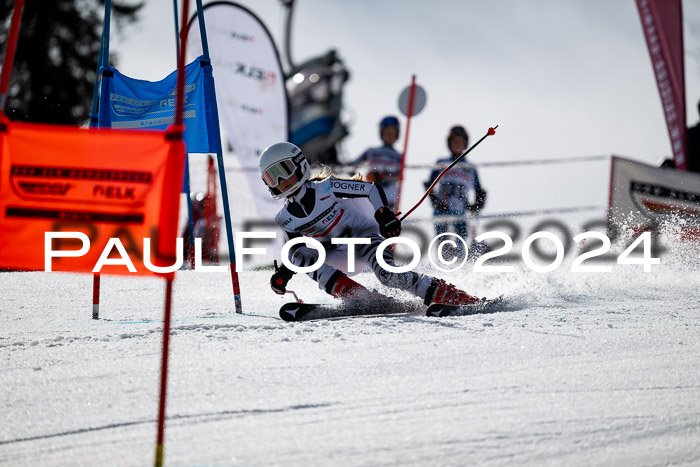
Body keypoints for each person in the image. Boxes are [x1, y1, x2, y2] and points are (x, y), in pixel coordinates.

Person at [259, 141, 480, 306]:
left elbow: (370, 189)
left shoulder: (327, 187)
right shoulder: (285, 218)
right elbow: (298, 253)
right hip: (337, 259)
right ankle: (358, 296)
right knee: (295, 254)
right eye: (272, 178)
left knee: (390, 276)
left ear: (299, 165)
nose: (280, 182)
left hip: (364, 241)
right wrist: (284, 274)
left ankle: (454, 296)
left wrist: (384, 215)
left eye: (283, 171)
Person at [425, 125, 487, 257]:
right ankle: (443, 270)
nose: (457, 144)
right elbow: (428, 184)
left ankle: (460, 269)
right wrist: (436, 201)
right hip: (442, 212)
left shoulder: (470, 167)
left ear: (465, 144)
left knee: (460, 246)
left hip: (460, 212)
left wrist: (476, 204)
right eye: (454, 141)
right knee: (443, 246)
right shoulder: (442, 162)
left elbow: (479, 190)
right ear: (449, 144)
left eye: (460, 141)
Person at [349, 115, 402, 210]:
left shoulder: (398, 156)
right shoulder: (371, 151)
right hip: (370, 194)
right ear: (382, 133)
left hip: (389, 198)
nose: (390, 136)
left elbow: (399, 176)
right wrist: (358, 183)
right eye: (387, 132)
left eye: (392, 133)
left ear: (397, 134)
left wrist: (384, 176)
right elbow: (351, 167)